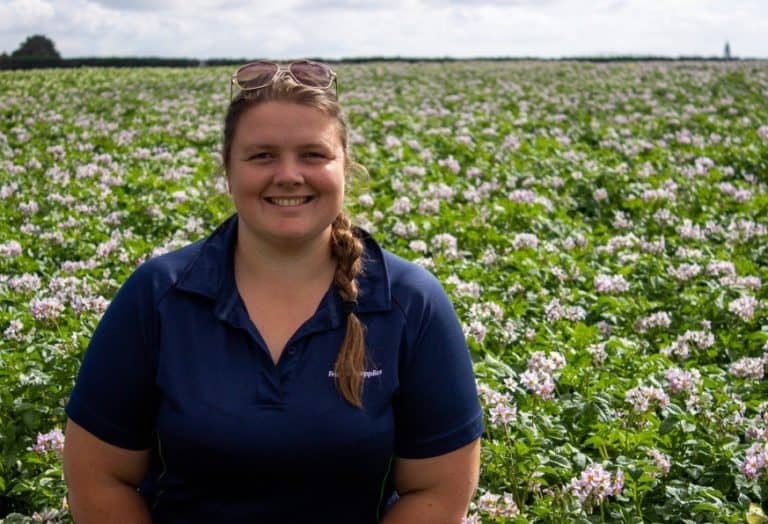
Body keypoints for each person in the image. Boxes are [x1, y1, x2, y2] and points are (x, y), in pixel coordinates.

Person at [62, 60, 483, 523]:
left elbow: (437, 493)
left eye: (312, 155)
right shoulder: (158, 296)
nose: (288, 175)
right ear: (228, 169)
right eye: (262, 155)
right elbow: (99, 476)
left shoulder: (410, 303)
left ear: (345, 165)